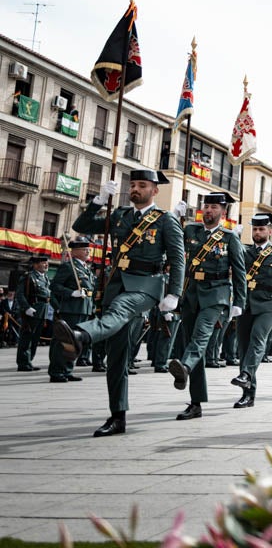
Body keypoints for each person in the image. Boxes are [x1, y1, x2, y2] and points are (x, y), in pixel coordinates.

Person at [56, 170, 185, 436]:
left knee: (120, 309)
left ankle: (82, 335)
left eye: (142, 185)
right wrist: (99, 200)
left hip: (147, 285)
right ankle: (118, 417)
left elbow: (177, 257)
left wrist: (174, 294)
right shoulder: (120, 216)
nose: (135, 189)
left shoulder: (165, 220)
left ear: (154, 191)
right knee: (117, 357)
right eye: (133, 185)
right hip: (117, 283)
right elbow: (81, 226)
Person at [168, 192, 247, 421]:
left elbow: (240, 273)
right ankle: (196, 403)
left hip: (217, 295)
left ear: (223, 212)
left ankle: (184, 365)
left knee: (201, 337)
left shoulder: (230, 238)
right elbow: (173, 244)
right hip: (191, 293)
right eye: (207, 206)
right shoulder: (191, 231)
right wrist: (175, 218)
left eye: (214, 207)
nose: (209, 210)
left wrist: (239, 302)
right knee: (194, 346)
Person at [231, 213, 272, 408]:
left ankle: (245, 374)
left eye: (261, 229)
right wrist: (232, 239)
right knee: (243, 348)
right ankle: (248, 394)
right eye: (255, 229)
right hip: (246, 304)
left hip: (268, 304)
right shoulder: (244, 251)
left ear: (270, 231)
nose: (258, 232)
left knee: (258, 339)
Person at [48, 237, 96, 382]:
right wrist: (71, 293)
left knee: (75, 341)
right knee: (63, 340)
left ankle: (67, 369)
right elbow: (55, 286)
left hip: (83, 308)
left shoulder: (85, 268)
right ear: (74, 251)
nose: (88, 251)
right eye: (84, 249)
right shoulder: (69, 267)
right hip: (71, 308)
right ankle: (56, 371)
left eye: (88, 249)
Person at [15, 255, 52, 371]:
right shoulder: (28, 277)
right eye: (43, 262)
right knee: (27, 337)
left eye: (47, 263)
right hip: (32, 310)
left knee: (35, 338)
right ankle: (23, 363)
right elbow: (19, 294)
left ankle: (29, 360)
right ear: (35, 264)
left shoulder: (45, 277)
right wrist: (26, 308)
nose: (46, 265)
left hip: (42, 311)